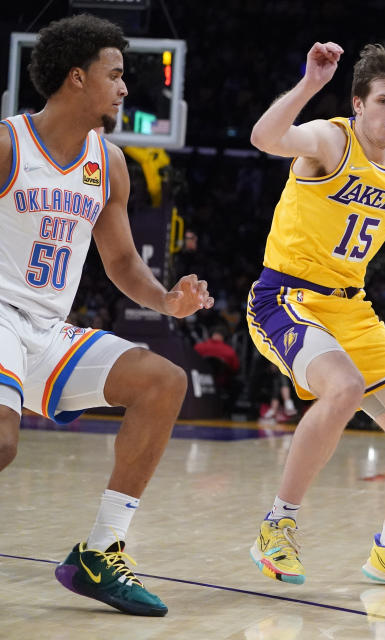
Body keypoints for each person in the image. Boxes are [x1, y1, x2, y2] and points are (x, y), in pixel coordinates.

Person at [0, 15, 213, 616]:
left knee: (162, 382)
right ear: (76, 77)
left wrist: (167, 299)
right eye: (115, 74)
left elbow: (120, 260)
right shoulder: (8, 144)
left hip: (46, 329)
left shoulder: (109, 163)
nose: (124, 88)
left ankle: (99, 553)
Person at [245, 41, 385, 590]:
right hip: (285, 298)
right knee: (343, 388)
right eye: (384, 102)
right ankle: (277, 526)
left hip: (352, 309)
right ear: (358, 104)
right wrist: (310, 85)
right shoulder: (330, 139)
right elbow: (266, 138)